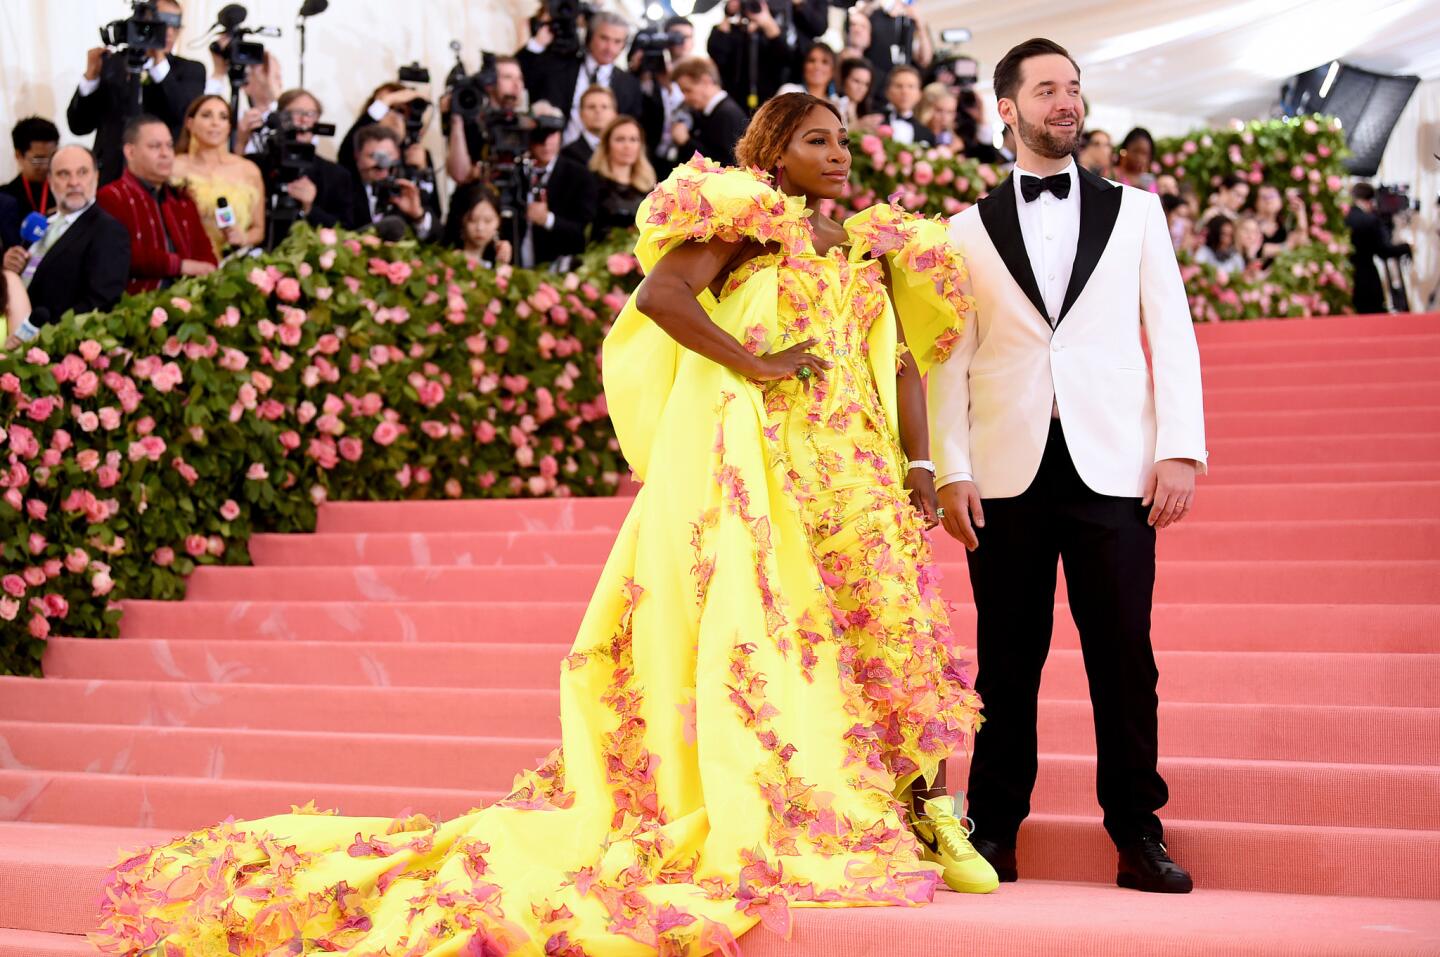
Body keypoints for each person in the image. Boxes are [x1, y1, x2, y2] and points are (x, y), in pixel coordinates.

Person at [94, 91, 996, 957]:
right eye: (818, 142)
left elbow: (907, 364)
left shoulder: (877, 242)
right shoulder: (742, 221)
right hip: (770, 473)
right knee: (780, 641)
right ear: (770, 154)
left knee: (896, 638)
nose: (839, 156)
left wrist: (919, 462)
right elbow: (661, 299)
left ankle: (936, 820)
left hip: (863, 474)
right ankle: (802, 805)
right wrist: (754, 363)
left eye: (843, 141)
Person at [931, 37, 1206, 896]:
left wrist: (1179, 448)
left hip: (1115, 467)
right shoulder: (961, 232)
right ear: (1006, 108)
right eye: (1047, 89)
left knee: (1124, 656)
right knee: (1006, 660)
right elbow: (949, 358)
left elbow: (1173, 334)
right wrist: (950, 468)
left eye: (1074, 88)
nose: (1067, 102)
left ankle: (1137, 832)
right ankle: (993, 831)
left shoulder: (1138, 213)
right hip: (1006, 474)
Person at [67, 0, 215, 184]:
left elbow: (184, 115)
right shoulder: (113, 64)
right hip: (110, 177)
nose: (169, 32)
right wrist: (90, 78)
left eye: (175, 27)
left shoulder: (190, 70)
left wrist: (159, 64)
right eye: (161, 24)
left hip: (163, 179)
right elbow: (79, 125)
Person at [0, 145, 129, 349]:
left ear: (96, 177)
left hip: (52, 346)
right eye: (63, 174)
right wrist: (10, 266)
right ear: (50, 181)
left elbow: (102, 301)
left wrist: (45, 334)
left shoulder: (107, 230)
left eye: (82, 172)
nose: (74, 182)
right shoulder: (42, 223)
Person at [97, 114, 216, 295]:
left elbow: (205, 254)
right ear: (130, 152)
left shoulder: (182, 199)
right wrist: (179, 265)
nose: (165, 153)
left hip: (190, 300)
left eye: (169, 145)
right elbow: (122, 255)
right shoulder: (112, 197)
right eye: (155, 146)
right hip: (134, 304)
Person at [518, 10, 645, 147]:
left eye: (617, 41)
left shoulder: (630, 85)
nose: (609, 48)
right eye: (604, 38)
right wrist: (537, 44)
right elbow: (523, 75)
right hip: (558, 155)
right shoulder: (560, 67)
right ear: (589, 37)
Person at [172, 95, 266, 255]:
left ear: (229, 127)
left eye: (223, 117)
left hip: (231, 265)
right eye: (206, 115)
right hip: (184, 261)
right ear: (190, 123)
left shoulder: (248, 170)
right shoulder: (173, 167)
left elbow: (258, 229)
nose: (215, 123)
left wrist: (243, 237)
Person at [256, 89, 361, 231]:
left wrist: (309, 209)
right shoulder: (259, 166)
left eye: (311, 114)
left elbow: (345, 230)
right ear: (280, 117)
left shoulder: (337, 175)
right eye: (297, 113)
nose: (304, 120)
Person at [517, 121, 595, 268]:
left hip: (558, 264)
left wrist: (548, 219)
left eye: (552, 134)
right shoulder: (517, 172)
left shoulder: (578, 174)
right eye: (539, 136)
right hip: (516, 259)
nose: (546, 143)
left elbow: (583, 229)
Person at [348, 124, 439, 241]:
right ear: (357, 156)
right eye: (373, 156)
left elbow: (438, 238)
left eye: (387, 156)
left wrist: (418, 216)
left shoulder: (407, 190)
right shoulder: (344, 189)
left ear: (397, 156)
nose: (381, 164)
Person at [446, 56, 526, 186]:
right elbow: (459, 175)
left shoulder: (525, 125)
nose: (516, 85)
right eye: (507, 77)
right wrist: (456, 120)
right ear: (490, 83)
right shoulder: (473, 125)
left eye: (520, 78)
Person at [707, 0, 790, 111]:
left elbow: (786, 57)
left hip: (768, 102)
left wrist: (766, 21)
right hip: (734, 100)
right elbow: (717, 55)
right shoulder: (730, 31)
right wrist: (728, 14)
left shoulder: (770, 32)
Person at [669, 57, 749, 167]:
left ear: (706, 81)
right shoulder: (712, 112)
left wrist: (686, 142)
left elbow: (726, 165)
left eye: (688, 90)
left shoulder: (727, 115)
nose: (685, 98)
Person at [1346, 182, 1411, 314]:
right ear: (1370, 201)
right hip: (1367, 279)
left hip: (1346, 278)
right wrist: (1407, 247)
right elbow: (1384, 251)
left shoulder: (1344, 218)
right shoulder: (1370, 220)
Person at [589, 116, 656, 242]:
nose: (627, 146)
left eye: (633, 139)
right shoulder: (592, 182)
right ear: (607, 144)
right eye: (620, 139)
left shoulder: (649, 186)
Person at [443, 183, 512, 268]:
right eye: (473, 220)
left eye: (488, 221)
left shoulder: (496, 260)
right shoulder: (451, 262)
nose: (480, 228)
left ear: (498, 221)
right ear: (463, 221)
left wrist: (502, 264)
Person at [4, 117, 60, 218]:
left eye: (52, 157)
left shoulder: (65, 192)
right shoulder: (5, 198)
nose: (46, 166)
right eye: (38, 159)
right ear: (19, 155)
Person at [562, 86, 618, 167]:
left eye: (604, 107)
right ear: (580, 114)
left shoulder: (625, 151)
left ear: (614, 114)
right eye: (591, 107)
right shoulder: (568, 154)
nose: (598, 111)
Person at [1253, 183, 1308, 265]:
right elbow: (1261, 250)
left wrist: (1300, 213)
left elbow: (1302, 240)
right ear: (1256, 202)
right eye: (1264, 197)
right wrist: (1288, 246)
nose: (1269, 200)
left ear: (1280, 201)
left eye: (1272, 196)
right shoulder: (1250, 223)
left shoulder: (1282, 226)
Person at [880, 65, 933, 146]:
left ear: (919, 94)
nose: (905, 91)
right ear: (888, 92)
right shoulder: (875, 122)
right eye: (899, 86)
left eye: (911, 87)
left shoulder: (926, 134)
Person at [835, 56, 875, 129]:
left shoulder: (866, 113)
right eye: (856, 81)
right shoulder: (833, 106)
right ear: (844, 79)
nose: (861, 88)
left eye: (866, 84)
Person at [918, 82, 960, 147]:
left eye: (950, 112)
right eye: (939, 110)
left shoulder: (955, 141)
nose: (944, 117)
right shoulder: (916, 135)